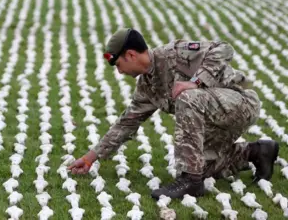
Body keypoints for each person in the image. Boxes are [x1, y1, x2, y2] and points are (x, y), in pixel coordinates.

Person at [68, 28, 279, 199]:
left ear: (131, 55)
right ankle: (256, 152)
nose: (119, 71)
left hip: (239, 103)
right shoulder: (147, 87)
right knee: (200, 164)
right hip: (215, 117)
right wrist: (89, 159)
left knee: (187, 96)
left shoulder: (175, 54)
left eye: (119, 64)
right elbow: (125, 124)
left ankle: (191, 182)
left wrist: (195, 82)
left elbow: (224, 49)